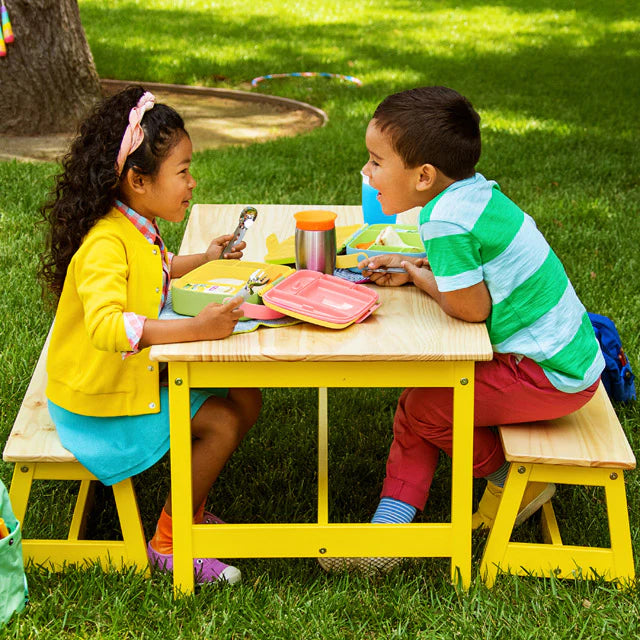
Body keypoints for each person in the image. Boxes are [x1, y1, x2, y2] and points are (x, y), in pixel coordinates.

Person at [319, 86, 604, 574]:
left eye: (375, 161)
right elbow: (475, 271)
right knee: (420, 403)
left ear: (424, 176)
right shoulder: (470, 195)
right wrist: (415, 270)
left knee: (423, 410)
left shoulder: (445, 219)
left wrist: (422, 281)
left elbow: (470, 308)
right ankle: (390, 529)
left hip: (549, 373)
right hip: (565, 355)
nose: (366, 173)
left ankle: (511, 481)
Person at [39, 86, 262, 585]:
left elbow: (155, 270)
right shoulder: (104, 243)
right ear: (138, 180)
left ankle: (189, 512)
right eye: (182, 171)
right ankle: (168, 540)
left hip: (123, 380)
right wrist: (197, 329)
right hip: (97, 403)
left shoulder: (136, 226)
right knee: (224, 422)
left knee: (246, 396)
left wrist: (202, 259)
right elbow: (107, 326)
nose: (192, 181)